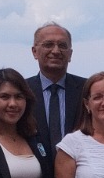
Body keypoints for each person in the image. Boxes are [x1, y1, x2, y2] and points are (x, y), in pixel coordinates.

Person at [27, 22, 86, 150]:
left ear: (70, 54)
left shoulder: (87, 89)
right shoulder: (22, 91)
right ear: (34, 52)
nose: (56, 51)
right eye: (48, 45)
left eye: (62, 45)